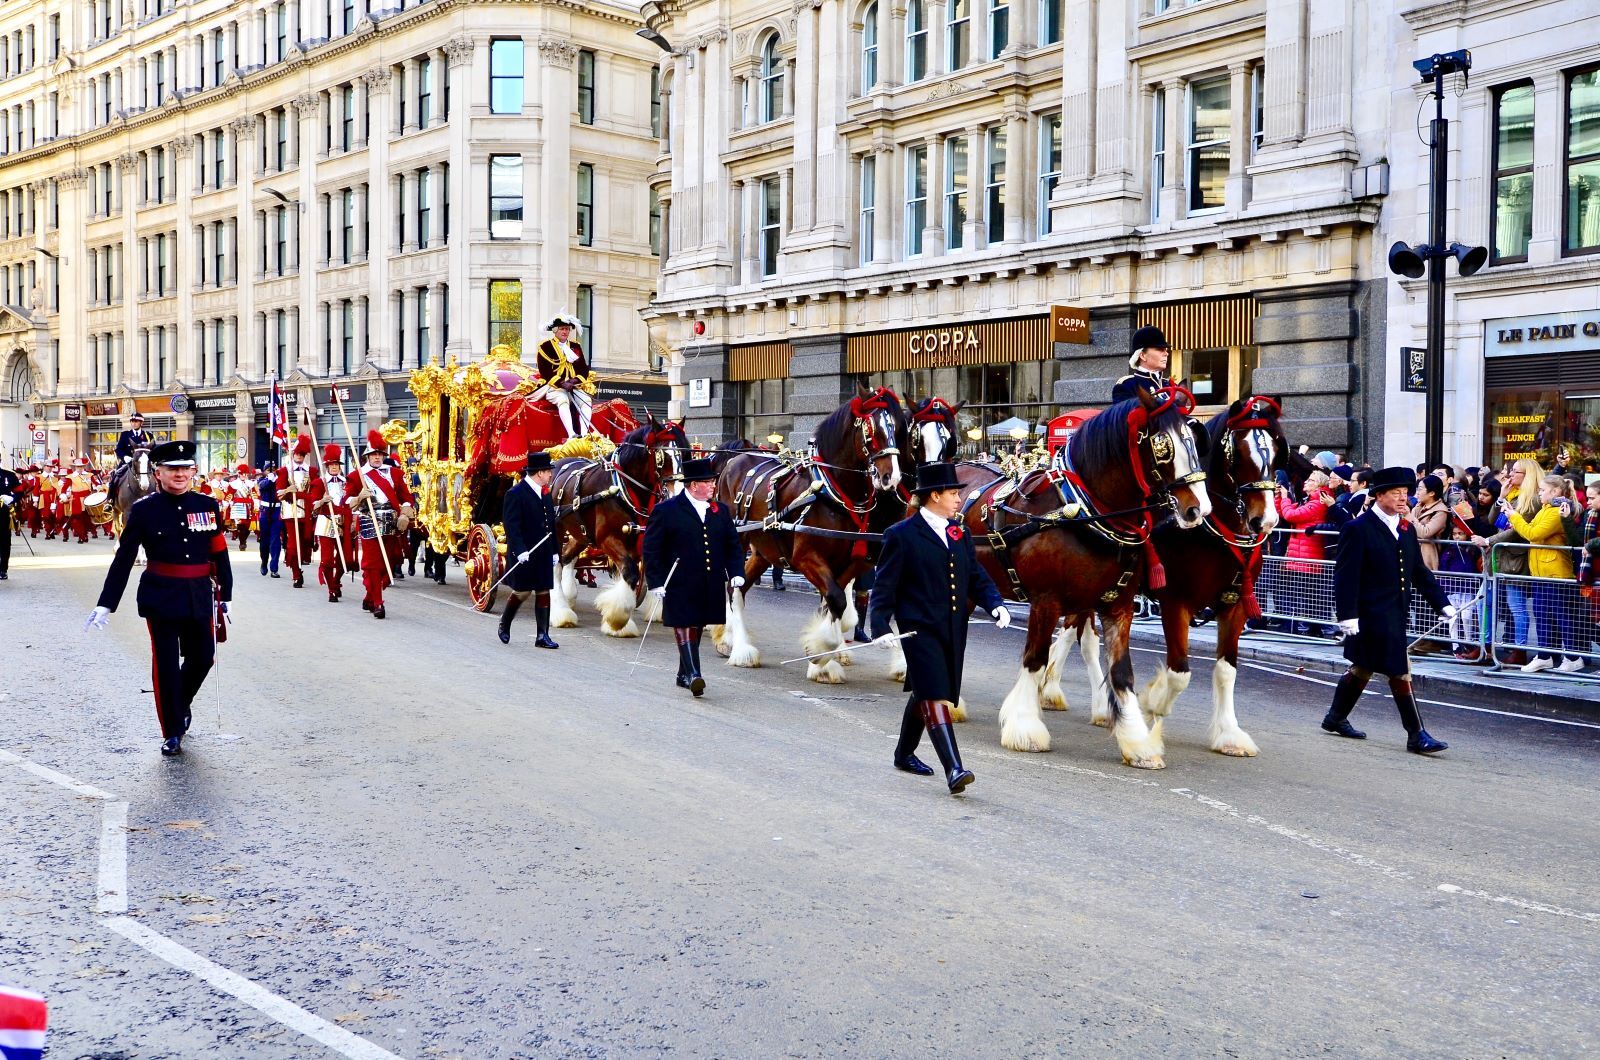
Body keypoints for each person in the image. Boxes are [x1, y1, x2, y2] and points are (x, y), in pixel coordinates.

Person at [84, 440, 233, 756]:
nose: (180, 474)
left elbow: (219, 553)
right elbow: (124, 559)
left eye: (185, 468)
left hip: (198, 596)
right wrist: (105, 603)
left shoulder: (207, 505)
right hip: (161, 596)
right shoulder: (143, 510)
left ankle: (180, 702)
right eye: (172, 469)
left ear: (193, 471)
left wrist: (226, 595)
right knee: (165, 665)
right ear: (158, 473)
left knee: (203, 657)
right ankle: (173, 731)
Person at [868, 462, 1008, 795]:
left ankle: (904, 753)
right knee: (935, 694)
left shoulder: (958, 533)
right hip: (918, 629)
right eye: (952, 493)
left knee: (926, 689)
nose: (959, 499)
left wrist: (995, 603)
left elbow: (975, 576)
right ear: (934, 496)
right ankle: (954, 768)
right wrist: (878, 626)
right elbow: (884, 586)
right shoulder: (901, 535)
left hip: (952, 628)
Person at [1321, 466, 1453, 755]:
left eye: (1405, 493)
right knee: (1400, 670)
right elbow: (1346, 575)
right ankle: (1416, 734)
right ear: (1379, 495)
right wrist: (1346, 616)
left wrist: (1442, 603)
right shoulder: (1358, 528)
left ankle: (1335, 717)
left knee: (1363, 667)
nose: (1403, 498)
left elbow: (1418, 572)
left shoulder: (1405, 528)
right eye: (1396, 493)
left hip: (1395, 612)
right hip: (1368, 615)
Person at [641, 457, 744, 696]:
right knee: (684, 622)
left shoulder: (721, 511)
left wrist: (737, 572)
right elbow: (651, 549)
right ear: (693, 485)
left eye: (712, 482)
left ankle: (682, 673)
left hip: (709, 580)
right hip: (678, 580)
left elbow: (732, 545)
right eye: (708, 482)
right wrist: (655, 581)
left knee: (696, 623)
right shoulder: (666, 511)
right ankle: (695, 674)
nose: (713, 486)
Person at [1506, 473, 1582, 673]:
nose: (1539, 493)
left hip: (1556, 573)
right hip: (1541, 572)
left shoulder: (1556, 511)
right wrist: (1516, 519)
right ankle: (1545, 656)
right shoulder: (1545, 509)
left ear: (1555, 492)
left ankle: (1573, 657)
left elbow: (1534, 534)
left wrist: (1515, 517)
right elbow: (1531, 529)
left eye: (1542, 490)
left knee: (1562, 616)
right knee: (1542, 615)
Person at [1473, 459, 1541, 666]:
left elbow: (1516, 531)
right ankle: (1485, 646)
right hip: (1498, 557)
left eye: (1515, 471)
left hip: (1514, 559)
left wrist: (1488, 541)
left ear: (1527, 474)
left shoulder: (1533, 500)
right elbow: (1494, 521)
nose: (1510, 475)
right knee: (1484, 601)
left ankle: (1519, 650)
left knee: (1517, 607)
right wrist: (1501, 497)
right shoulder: (1513, 495)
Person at [345, 430, 416, 619]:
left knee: (389, 562)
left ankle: (370, 595)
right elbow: (346, 501)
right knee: (374, 564)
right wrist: (359, 497)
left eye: (380, 454)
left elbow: (407, 498)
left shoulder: (394, 473)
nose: (377, 457)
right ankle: (378, 602)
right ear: (367, 456)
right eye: (373, 454)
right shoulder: (357, 476)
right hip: (369, 521)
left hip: (392, 521)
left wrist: (404, 514)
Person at [498, 452, 560, 648]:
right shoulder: (515, 494)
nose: (551, 475)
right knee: (522, 592)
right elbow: (512, 527)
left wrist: (555, 551)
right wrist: (519, 550)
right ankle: (504, 623)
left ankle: (542, 636)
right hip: (524, 553)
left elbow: (551, 525)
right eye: (548, 471)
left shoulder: (545, 493)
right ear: (539, 472)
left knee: (543, 590)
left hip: (543, 552)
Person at [1276, 470, 1337, 637]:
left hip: (1309, 556)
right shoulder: (1308, 499)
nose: (1306, 482)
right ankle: (1311, 629)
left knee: (1308, 596)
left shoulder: (1318, 501)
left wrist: (1286, 498)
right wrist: (1280, 498)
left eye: (1310, 480)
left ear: (1318, 484)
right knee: (1305, 595)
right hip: (1301, 555)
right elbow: (1282, 512)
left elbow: (1291, 515)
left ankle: (1314, 630)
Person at [533, 314, 597, 439]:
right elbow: (545, 371)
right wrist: (562, 383)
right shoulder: (545, 347)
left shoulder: (575, 346)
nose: (565, 331)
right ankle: (572, 434)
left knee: (586, 401)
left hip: (574, 386)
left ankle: (585, 435)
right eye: (562, 329)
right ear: (555, 330)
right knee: (562, 400)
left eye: (567, 329)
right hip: (554, 386)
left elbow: (583, 369)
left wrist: (574, 381)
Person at [273, 435, 321, 588]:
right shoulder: (284, 471)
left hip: (307, 512)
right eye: (297, 453)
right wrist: (288, 489)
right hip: (291, 511)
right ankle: (296, 573)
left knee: (305, 542)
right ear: (292, 454)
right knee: (293, 544)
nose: (299, 456)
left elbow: (315, 491)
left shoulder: (312, 471)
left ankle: (301, 564)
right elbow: (278, 495)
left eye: (302, 454)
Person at [313, 444, 353, 603]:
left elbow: (351, 502)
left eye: (337, 464)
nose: (335, 467)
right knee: (327, 560)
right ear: (327, 466)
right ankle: (331, 588)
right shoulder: (319, 483)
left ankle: (336, 581)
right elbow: (314, 506)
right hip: (326, 522)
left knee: (345, 558)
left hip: (343, 522)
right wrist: (322, 500)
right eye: (332, 465)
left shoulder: (347, 481)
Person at [1111, 325, 1172, 403]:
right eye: (1160, 349)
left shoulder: (1170, 385)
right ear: (1142, 355)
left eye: (1166, 350)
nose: (1166, 354)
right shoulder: (1127, 385)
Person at [256, 465, 282, 577]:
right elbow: (262, 486)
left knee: (275, 540)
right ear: (264, 472)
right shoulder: (262, 480)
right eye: (268, 470)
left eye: (273, 470)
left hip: (277, 511)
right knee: (264, 541)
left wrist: (275, 479)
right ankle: (264, 562)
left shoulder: (279, 480)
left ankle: (274, 568)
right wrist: (269, 479)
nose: (271, 472)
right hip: (265, 512)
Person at [0, 459, 18, 580]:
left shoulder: (9, 475)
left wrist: (12, 498)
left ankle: (3, 569)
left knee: (5, 542)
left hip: (3, 514)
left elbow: (20, 491)